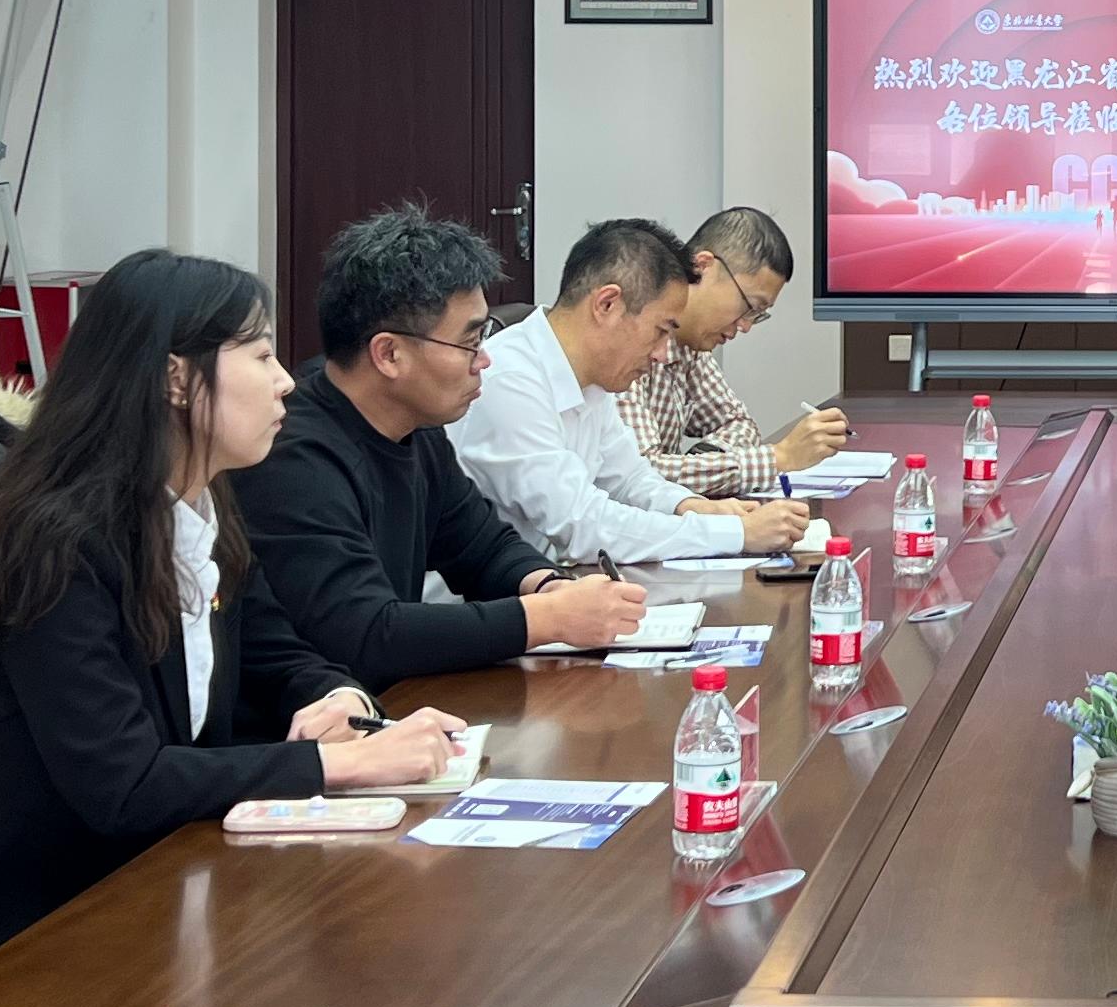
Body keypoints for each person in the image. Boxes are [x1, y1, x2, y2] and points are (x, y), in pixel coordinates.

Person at [0, 250, 463, 974]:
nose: (283, 383)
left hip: (130, 905)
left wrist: (337, 698)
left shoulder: (202, 512)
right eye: (261, 356)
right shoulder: (58, 545)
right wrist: (340, 764)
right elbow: (125, 785)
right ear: (176, 378)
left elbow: (276, 652)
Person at [236, 205, 650, 680]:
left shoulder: (419, 429)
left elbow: (482, 546)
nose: (484, 360)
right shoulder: (294, 458)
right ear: (390, 354)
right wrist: (545, 619)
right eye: (469, 343)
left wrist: (549, 586)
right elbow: (365, 635)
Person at [456, 217, 810, 564]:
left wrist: (694, 507)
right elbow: (582, 527)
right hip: (489, 598)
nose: (662, 354)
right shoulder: (510, 380)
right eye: (661, 330)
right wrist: (736, 534)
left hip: (551, 583)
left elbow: (630, 480)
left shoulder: (593, 380)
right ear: (607, 304)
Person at [618, 205, 850, 496]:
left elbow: (739, 424)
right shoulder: (627, 335)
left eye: (758, 314)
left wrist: (707, 461)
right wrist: (778, 458)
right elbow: (639, 476)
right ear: (703, 267)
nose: (746, 325)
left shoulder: (692, 346)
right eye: (749, 306)